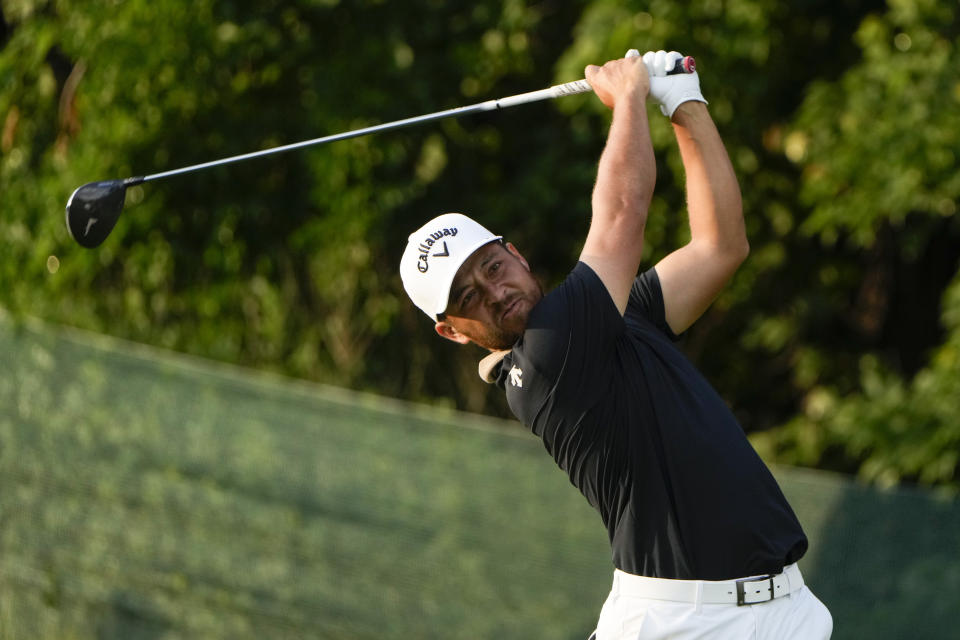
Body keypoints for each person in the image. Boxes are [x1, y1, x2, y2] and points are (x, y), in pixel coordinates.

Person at [399, 50, 833, 639]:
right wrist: (628, 95)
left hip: (785, 612)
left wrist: (684, 101)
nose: (494, 292)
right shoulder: (554, 349)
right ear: (451, 331)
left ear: (517, 255)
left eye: (493, 267)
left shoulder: (612, 320)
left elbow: (720, 245)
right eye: (468, 297)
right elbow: (623, 213)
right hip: (681, 622)